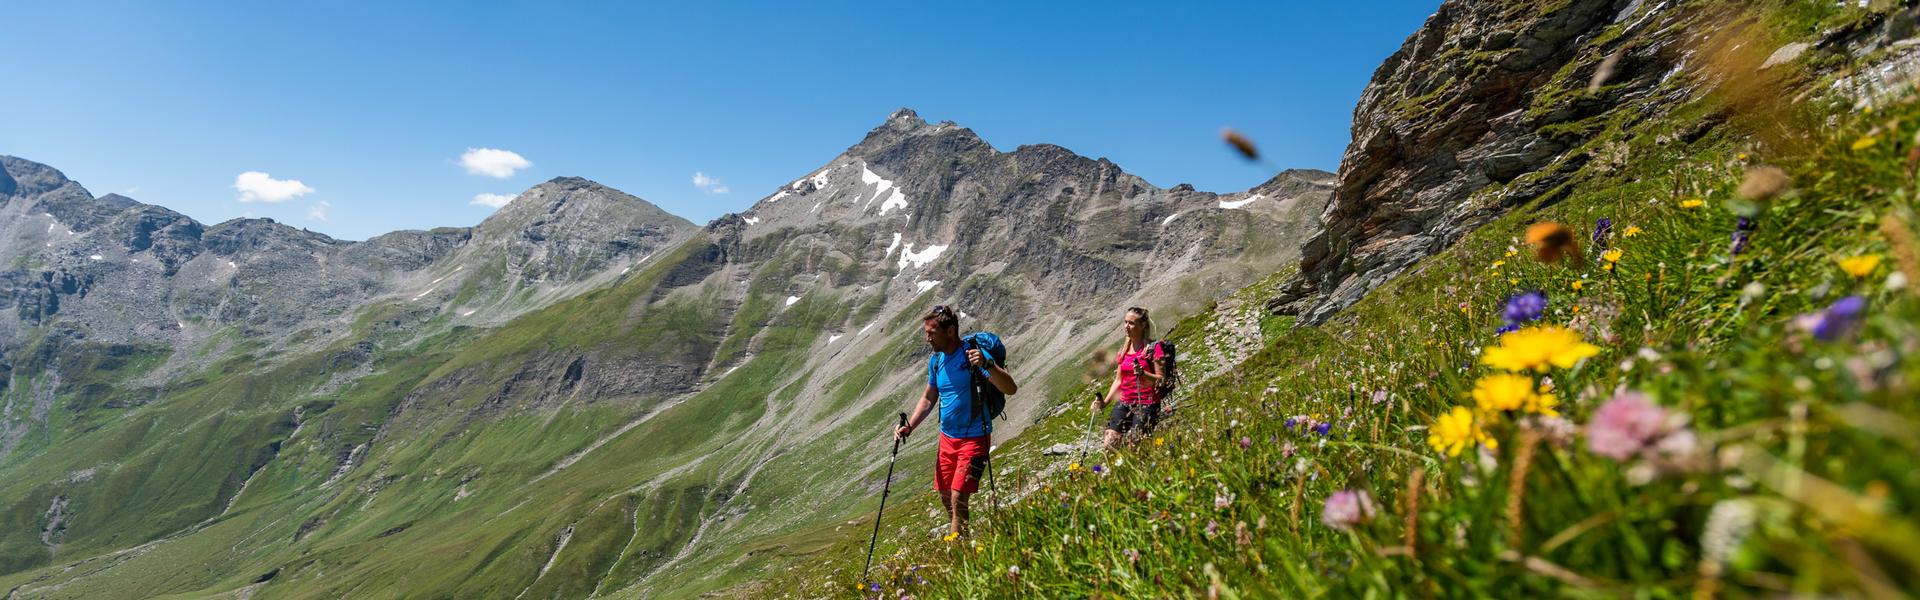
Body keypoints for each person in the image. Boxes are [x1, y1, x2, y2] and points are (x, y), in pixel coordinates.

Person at [895, 305, 1017, 538]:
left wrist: (987, 365)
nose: (927, 338)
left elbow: (1010, 388)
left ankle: (956, 554)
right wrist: (909, 425)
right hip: (948, 438)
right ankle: (964, 539)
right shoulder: (936, 360)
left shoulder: (973, 355)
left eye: (931, 333)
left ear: (950, 331)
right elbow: (929, 397)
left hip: (975, 437)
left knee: (958, 496)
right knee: (945, 495)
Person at [1092, 307, 1163, 450]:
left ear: (1143, 325)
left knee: (1135, 446)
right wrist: (1104, 402)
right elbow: (1118, 380)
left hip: (1147, 404)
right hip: (1124, 402)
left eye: (1131, 323)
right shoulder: (1124, 350)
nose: (1126, 326)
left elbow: (1161, 379)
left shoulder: (1154, 348)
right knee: (1110, 443)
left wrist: (1144, 374)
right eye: (1125, 322)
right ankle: (1115, 471)